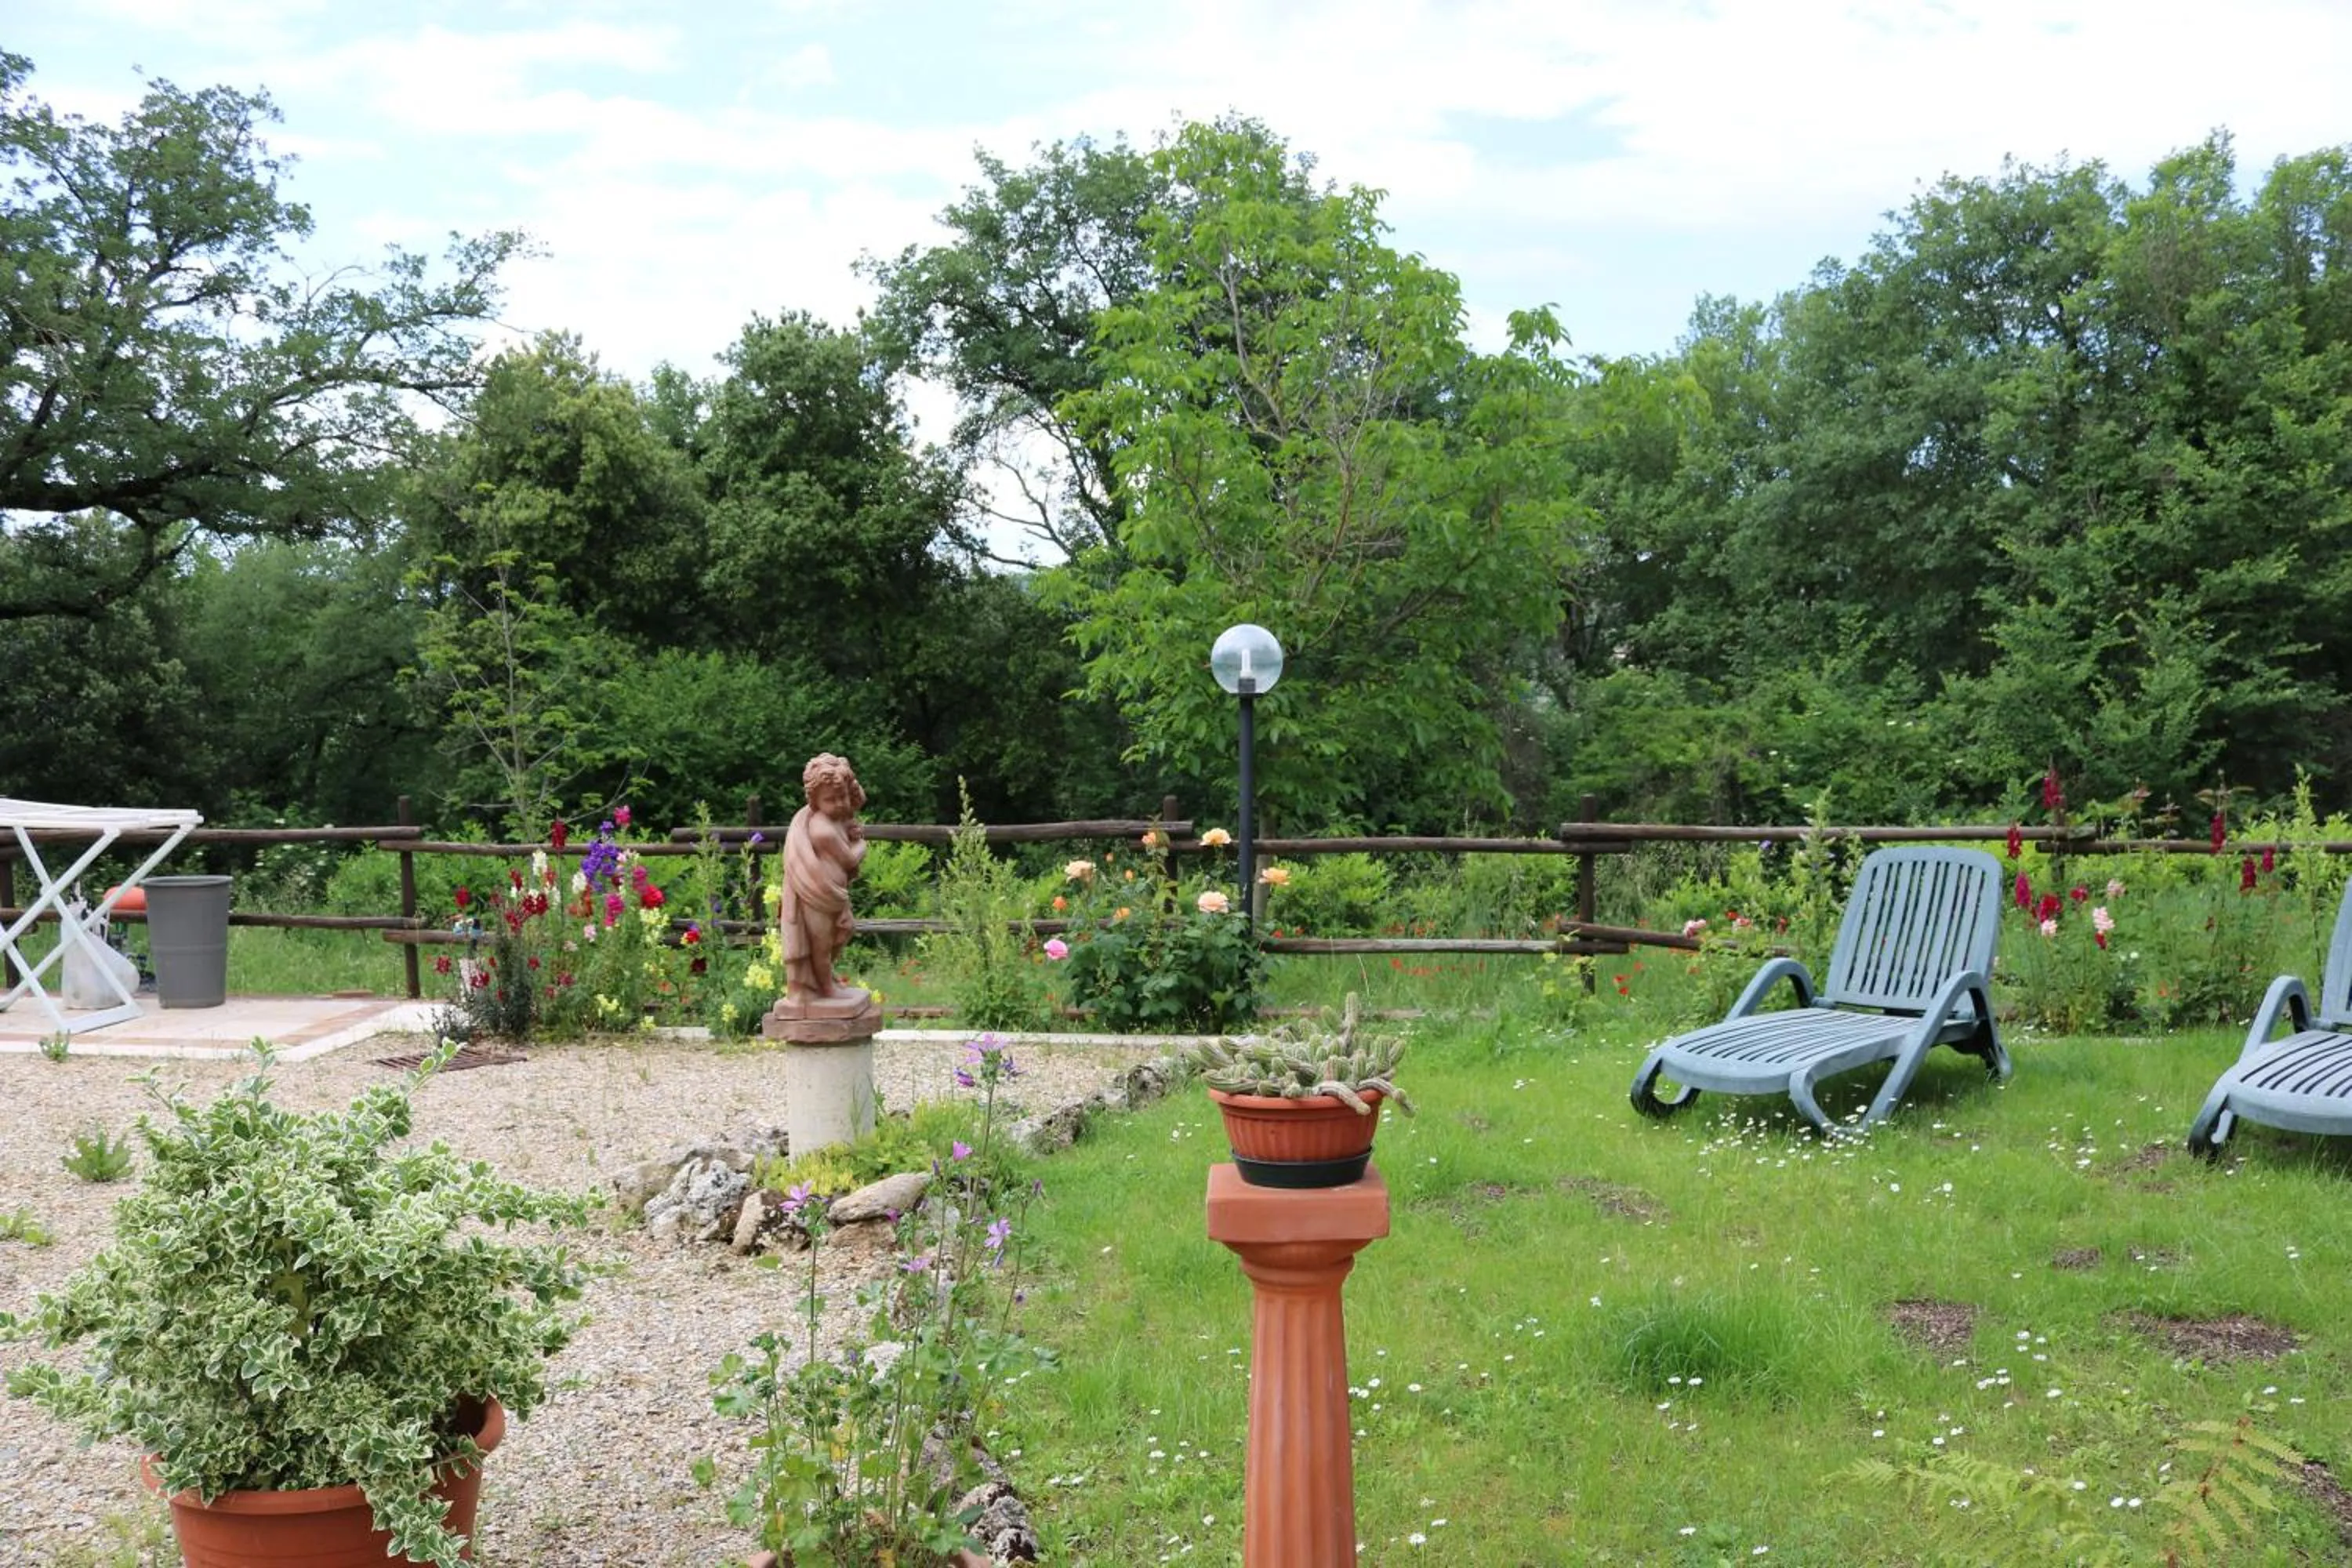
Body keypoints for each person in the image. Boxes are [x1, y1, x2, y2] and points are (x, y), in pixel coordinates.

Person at [779, 753, 866, 1004]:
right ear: (814, 801)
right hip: (817, 893)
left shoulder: (836, 817)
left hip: (835, 893)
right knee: (822, 943)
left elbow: (859, 799)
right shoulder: (822, 829)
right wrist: (861, 844)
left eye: (842, 797)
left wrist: (849, 788)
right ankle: (825, 989)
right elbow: (849, 860)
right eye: (831, 799)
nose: (840, 804)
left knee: (843, 931)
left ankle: (824, 980)